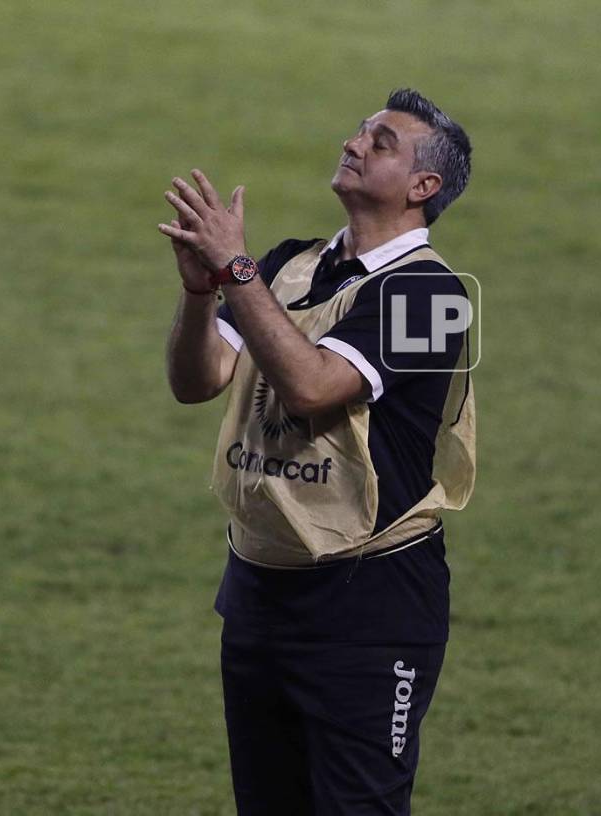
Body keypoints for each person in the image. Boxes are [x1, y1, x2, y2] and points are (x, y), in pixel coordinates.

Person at [159, 88, 476, 815]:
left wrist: (236, 272)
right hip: (261, 587)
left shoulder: (434, 296)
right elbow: (198, 380)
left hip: (370, 608)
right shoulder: (290, 264)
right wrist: (202, 294)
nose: (355, 143)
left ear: (423, 188)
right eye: (359, 132)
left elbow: (311, 387)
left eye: (382, 142)